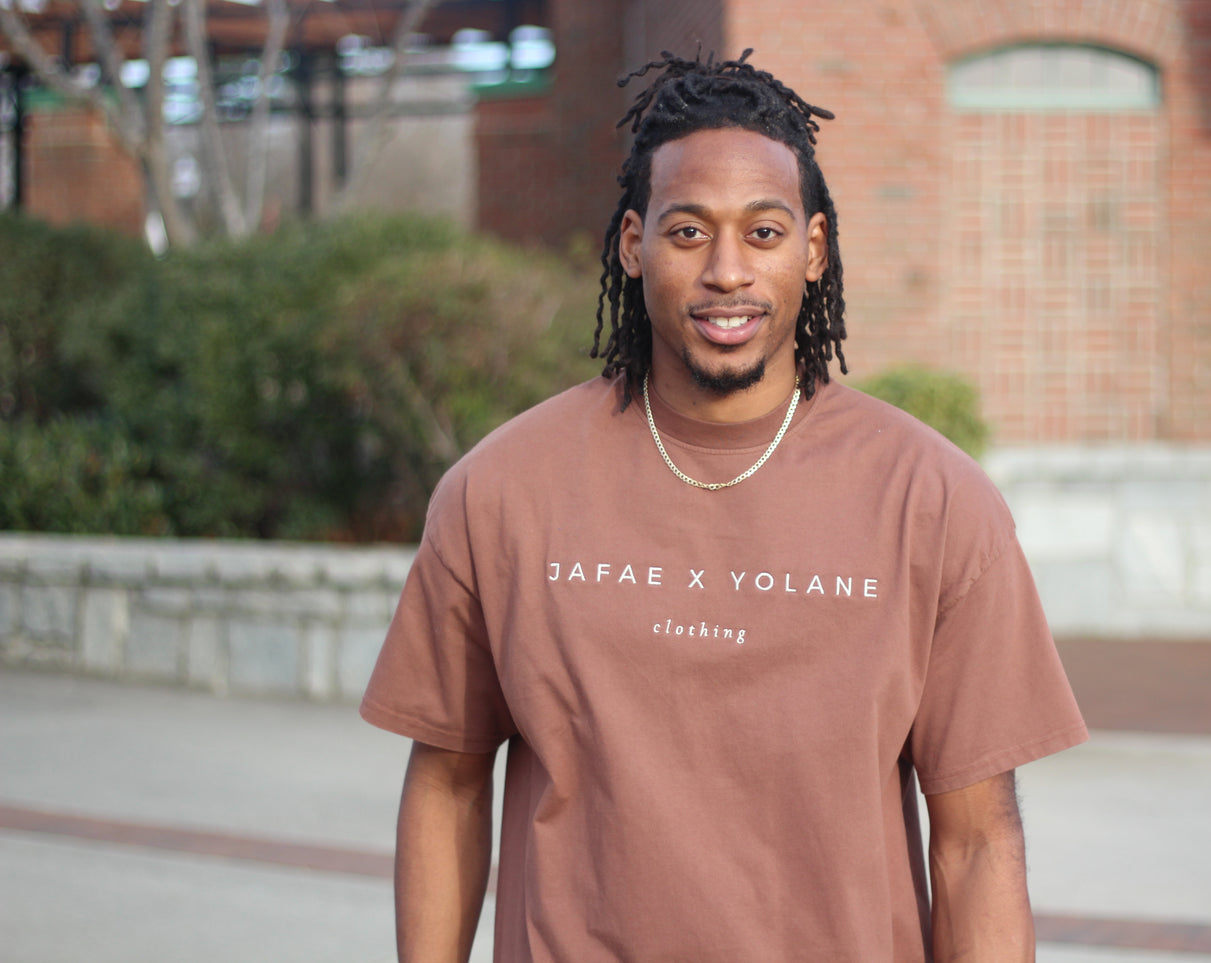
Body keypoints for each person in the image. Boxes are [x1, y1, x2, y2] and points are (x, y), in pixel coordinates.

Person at [361, 50, 1087, 962]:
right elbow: (449, 785)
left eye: (764, 233)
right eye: (689, 232)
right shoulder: (501, 490)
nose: (728, 272)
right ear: (634, 244)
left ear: (813, 249)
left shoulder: (933, 503)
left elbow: (979, 841)